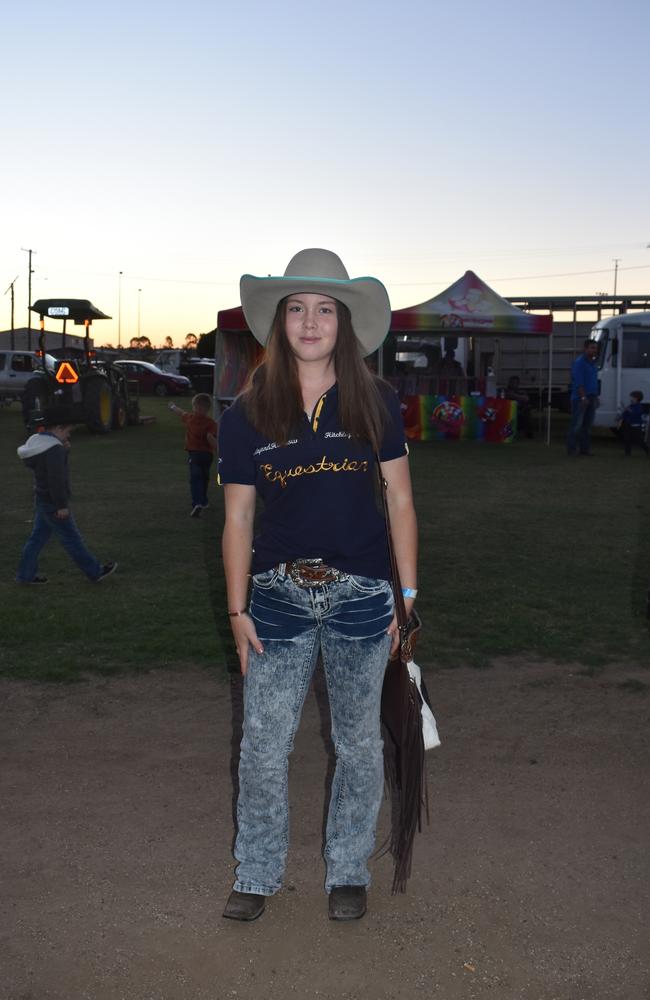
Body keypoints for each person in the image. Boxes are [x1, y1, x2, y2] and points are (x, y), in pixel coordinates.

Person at [218, 249, 418, 923]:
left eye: (325, 309)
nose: (310, 321)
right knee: (264, 745)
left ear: (345, 323)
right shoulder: (246, 412)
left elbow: (399, 502)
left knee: (359, 741)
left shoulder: (376, 401)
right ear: (279, 322)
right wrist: (237, 608)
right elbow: (239, 515)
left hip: (363, 595)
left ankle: (347, 870)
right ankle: (257, 872)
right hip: (275, 595)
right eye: (297, 308)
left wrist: (407, 600)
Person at [16, 405, 117, 585]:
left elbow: (47, 468)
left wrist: (65, 451)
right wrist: (61, 505)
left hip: (42, 498)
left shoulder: (38, 443)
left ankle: (25, 575)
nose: (68, 435)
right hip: (52, 502)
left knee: (37, 538)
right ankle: (95, 571)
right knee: (71, 538)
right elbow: (56, 479)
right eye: (67, 431)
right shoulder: (54, 449)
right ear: (58, 428)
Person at [168, 394, 218, 516]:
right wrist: (173, 407)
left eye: (199, 408)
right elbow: (181, 413)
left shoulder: (194, 419)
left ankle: (197, 503)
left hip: (196, 455)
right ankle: (203, 501)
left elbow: (210, 437)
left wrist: (173, 407)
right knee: (204, 478)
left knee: (196, 478)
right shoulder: (210, 422)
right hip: (207, 456)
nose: (197, 410)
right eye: (197, 408)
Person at [566, 339, 599, 456]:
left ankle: (584, 449)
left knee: (587, 425)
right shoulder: (579, 362)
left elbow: (594, 381)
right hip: (580, 398)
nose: (594, 350)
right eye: (592, 348)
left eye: (595, 348)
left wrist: (596, 396)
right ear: (585, 349)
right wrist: (583, 397)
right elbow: (578, 382)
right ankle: (571, 449)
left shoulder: (593, 363)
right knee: (576, 425)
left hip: (592, 396)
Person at [618, 390, 648, 456]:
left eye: (632, 397)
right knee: (627, 439)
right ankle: (627, 453)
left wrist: (626, 408)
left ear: (636, 398)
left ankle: (647, 450)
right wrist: (620, 418)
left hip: (636, 426)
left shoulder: (639, 406)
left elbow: (635, 413)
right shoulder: (630, 406)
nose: (630, 399)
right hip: (628, 425)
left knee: (639, 440)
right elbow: (625, 414)